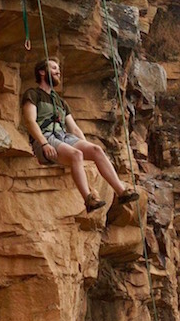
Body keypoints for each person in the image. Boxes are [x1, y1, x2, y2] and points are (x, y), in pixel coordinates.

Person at [21, 58, 140, 213]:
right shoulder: (32, 94)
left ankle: (121, 192)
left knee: (97, 150)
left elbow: (75, 129)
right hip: (45, 137)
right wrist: (44, 143)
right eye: (54, 68)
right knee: (76, 154)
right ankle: (88, 200)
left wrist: (87, 149)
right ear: (42, 72)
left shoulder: (60, 102)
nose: (58, 72)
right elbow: (30, 121)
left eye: (58, 69)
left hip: (63, 136)